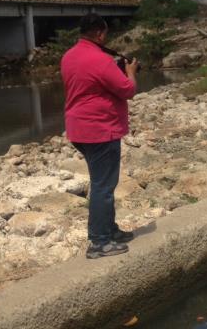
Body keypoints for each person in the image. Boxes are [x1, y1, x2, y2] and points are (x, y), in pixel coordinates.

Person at [61, 14, 140, 259]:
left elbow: (89, 84)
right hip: (100, 129)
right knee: (103, 186)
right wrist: (130, 71)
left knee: (102, 182)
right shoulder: (101, 59)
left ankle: (110, 230)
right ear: (100, 35)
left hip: (78, 129)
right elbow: (128, 90)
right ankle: (99, 242)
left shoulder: (69, 56)